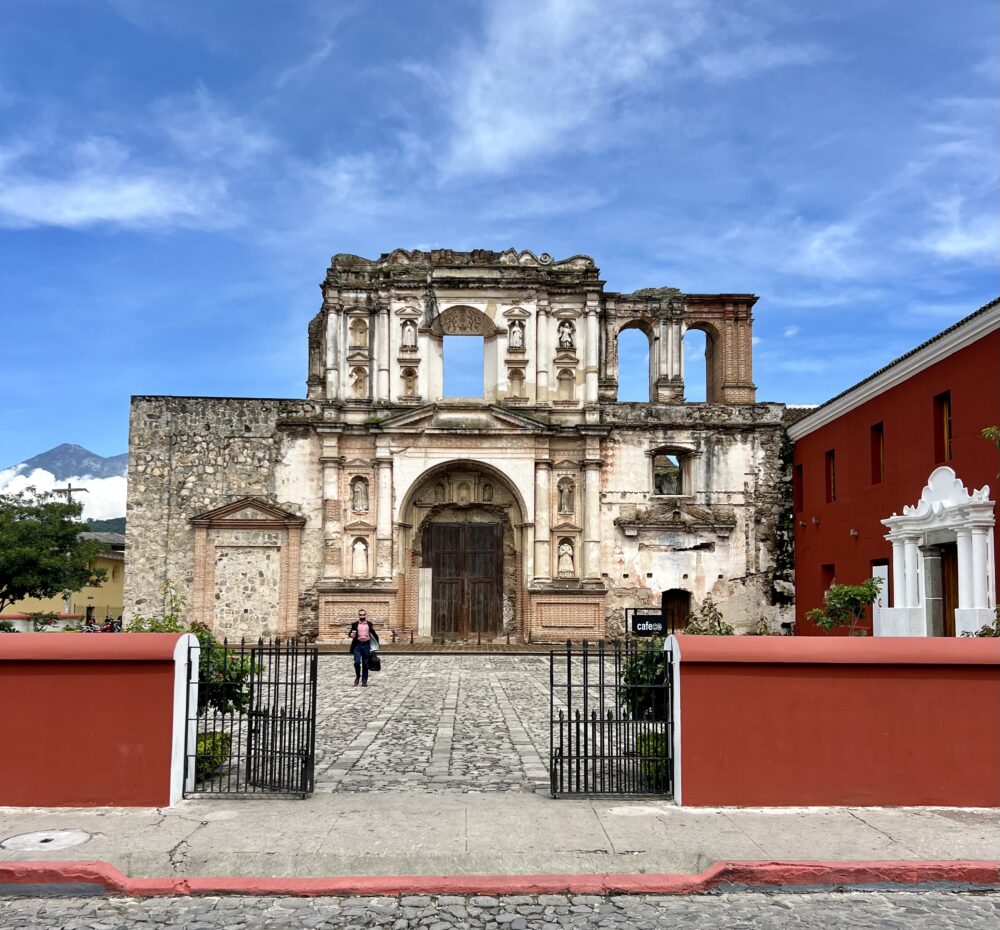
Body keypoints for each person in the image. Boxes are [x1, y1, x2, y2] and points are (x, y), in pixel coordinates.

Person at [348, 608, 379, 686]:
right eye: (361, 615)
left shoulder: (369, 624)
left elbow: (374, 634)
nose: (362, 616)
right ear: (358, 615)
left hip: (366, 645)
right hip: (357, 645)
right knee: (357, 662)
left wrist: (376, 645)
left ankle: (364, 681)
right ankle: (358, 676)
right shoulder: (355, 624)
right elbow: (350, 634)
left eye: (363, 615)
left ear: (365, 615)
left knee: (365, 664)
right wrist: (352, 635)